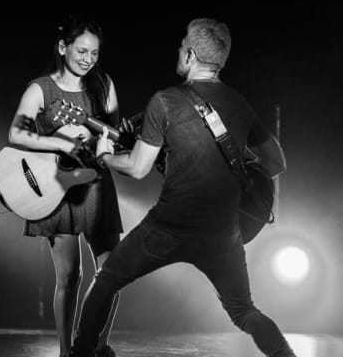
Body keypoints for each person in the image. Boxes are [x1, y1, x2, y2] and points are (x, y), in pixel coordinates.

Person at [70, 18, 297, 357]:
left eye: (181, 46)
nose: (178, 51)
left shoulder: (165, 101)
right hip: (222, 233)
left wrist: (105, 157)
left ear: (190, 55)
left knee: (106, 280)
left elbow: (137, 167)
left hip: (168, 227)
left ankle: (81, 352)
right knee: (244, 311)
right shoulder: (239, 103)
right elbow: (277, 163)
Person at [8, 14, 123, 357]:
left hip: (97, 185)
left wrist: (110, 146)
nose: (88, 59)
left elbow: (116, 135)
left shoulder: (104, 86)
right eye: (81, 51)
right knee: (70, 275)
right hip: (58, 190)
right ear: (63, 47)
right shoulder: (40, 88)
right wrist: (59, 144)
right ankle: (65, 351)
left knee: (113, 272)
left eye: (95, 53)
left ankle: (97, 345)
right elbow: (16, 133)